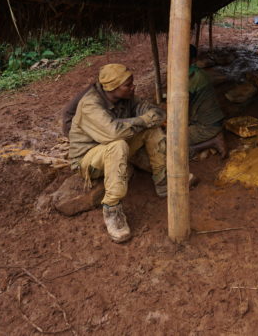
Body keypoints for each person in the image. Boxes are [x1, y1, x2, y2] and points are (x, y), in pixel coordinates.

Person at [66, 64, 196, 243]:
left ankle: (162, 179)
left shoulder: (126, 98)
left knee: (151, 130)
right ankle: (112, 210)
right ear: (112, 87)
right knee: (118, 144)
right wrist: (142, 120)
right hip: (88, 159)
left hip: (113, 148)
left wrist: (145, 120)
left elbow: (156, 113)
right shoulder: (90, 104)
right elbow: (114, 133)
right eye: (128, 85)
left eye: (131, 83)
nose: (133, 87)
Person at [188, 45, 227, 158]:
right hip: (211, 121)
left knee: (173, 143)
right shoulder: (197, 73)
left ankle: (214, 141)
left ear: (193, 59)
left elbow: (183, 107)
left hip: (207, 126)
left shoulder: (192, 77)